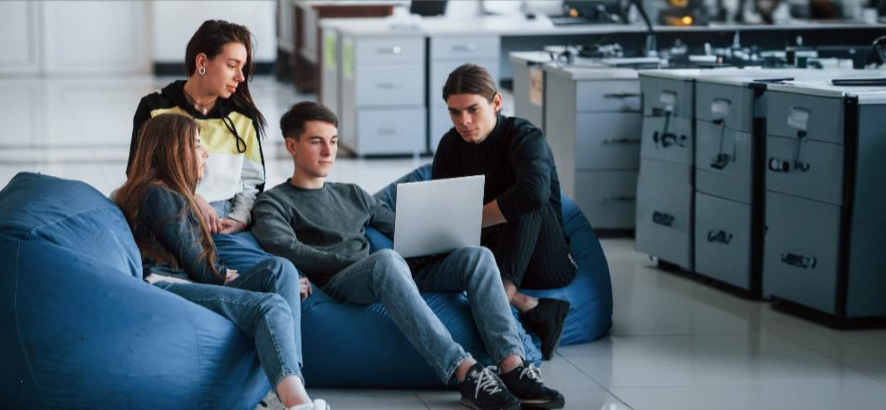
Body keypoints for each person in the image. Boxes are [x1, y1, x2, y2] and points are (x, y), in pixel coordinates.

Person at [252, 102, 565, 410]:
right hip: (340, 283)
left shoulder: (353, 193)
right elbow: (285, 248)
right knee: (386, 261)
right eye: (316, 141)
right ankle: (465, 372)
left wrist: (442, 229)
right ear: (292, 146)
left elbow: (400, 228)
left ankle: (512, 366)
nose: (328, 151)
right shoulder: (274, 202)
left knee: (477, 256)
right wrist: (365, 263)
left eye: (333, 141)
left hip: (390, 271)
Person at [114, 114, 327, 410]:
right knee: (271, 305)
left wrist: (224, 273)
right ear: (174, 151)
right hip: (167, 287)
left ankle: (292, 378)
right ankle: (297, 402)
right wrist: (223, 274)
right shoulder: (158, 195)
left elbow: (201, 265)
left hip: (186, 280)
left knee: (282, 270)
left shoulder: (167, 193)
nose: (206, 154)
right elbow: (201, 268)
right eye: (198, 145)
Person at [432, 63, 576, 360]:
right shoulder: (450, 145)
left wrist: (470, 220)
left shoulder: (525, 137)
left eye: (473, 109)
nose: (464, 121)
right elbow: (441, 207)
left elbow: (534, 194)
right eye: (455, 112)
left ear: (496, 103)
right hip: (491, 253)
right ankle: (528, 306)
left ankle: (500, 302)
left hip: (545, 260)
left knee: (528, 197)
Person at [129, 19, 267, 236]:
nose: (240, 77)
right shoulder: (155, 108)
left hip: (225, 228)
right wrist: (191, 198)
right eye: (232, 66)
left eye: (242, 68)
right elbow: (138, 177)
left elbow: (253, 182)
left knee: (280, 269)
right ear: (202, 61)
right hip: (169, 220)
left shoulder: (243, 118)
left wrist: (239, 218)